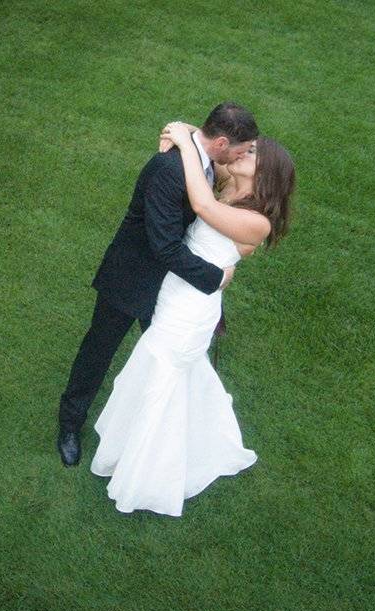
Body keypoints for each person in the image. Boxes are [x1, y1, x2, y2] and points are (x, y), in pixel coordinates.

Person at [89, 121, 295, 516]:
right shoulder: (229, 186)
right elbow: (209, 156)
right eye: (243, 149)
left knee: (163, 376)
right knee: (163, 374)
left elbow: (201, 207)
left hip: (189, 309)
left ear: (267, 173)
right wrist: (184, 134)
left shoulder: (257, 221)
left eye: (251, 153)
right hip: (173, 293)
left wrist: (184, 142)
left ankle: (147, 474)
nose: (240, 154)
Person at [57, 103, 258, 467]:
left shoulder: (207, 159)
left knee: (172, 361)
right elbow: (164, 246)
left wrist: (182, 129)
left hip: (174, 289)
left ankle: (163, 435)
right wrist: (215, 279)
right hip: (132, 277)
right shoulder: (169, 169)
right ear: (222, 143)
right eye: (241, 150)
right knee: (99, 350)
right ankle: (70, 425)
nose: (243, 157)